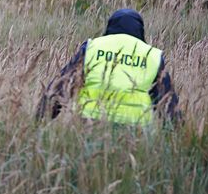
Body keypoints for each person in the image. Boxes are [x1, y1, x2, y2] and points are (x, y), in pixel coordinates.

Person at [38, 7, 181, 126]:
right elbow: (168, 104)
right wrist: (177, 137)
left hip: (91, 124)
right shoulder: (152, 56)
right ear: (140, 31)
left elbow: (60, 87)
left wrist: (40, 121)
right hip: (135, 130)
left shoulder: (92, 48)